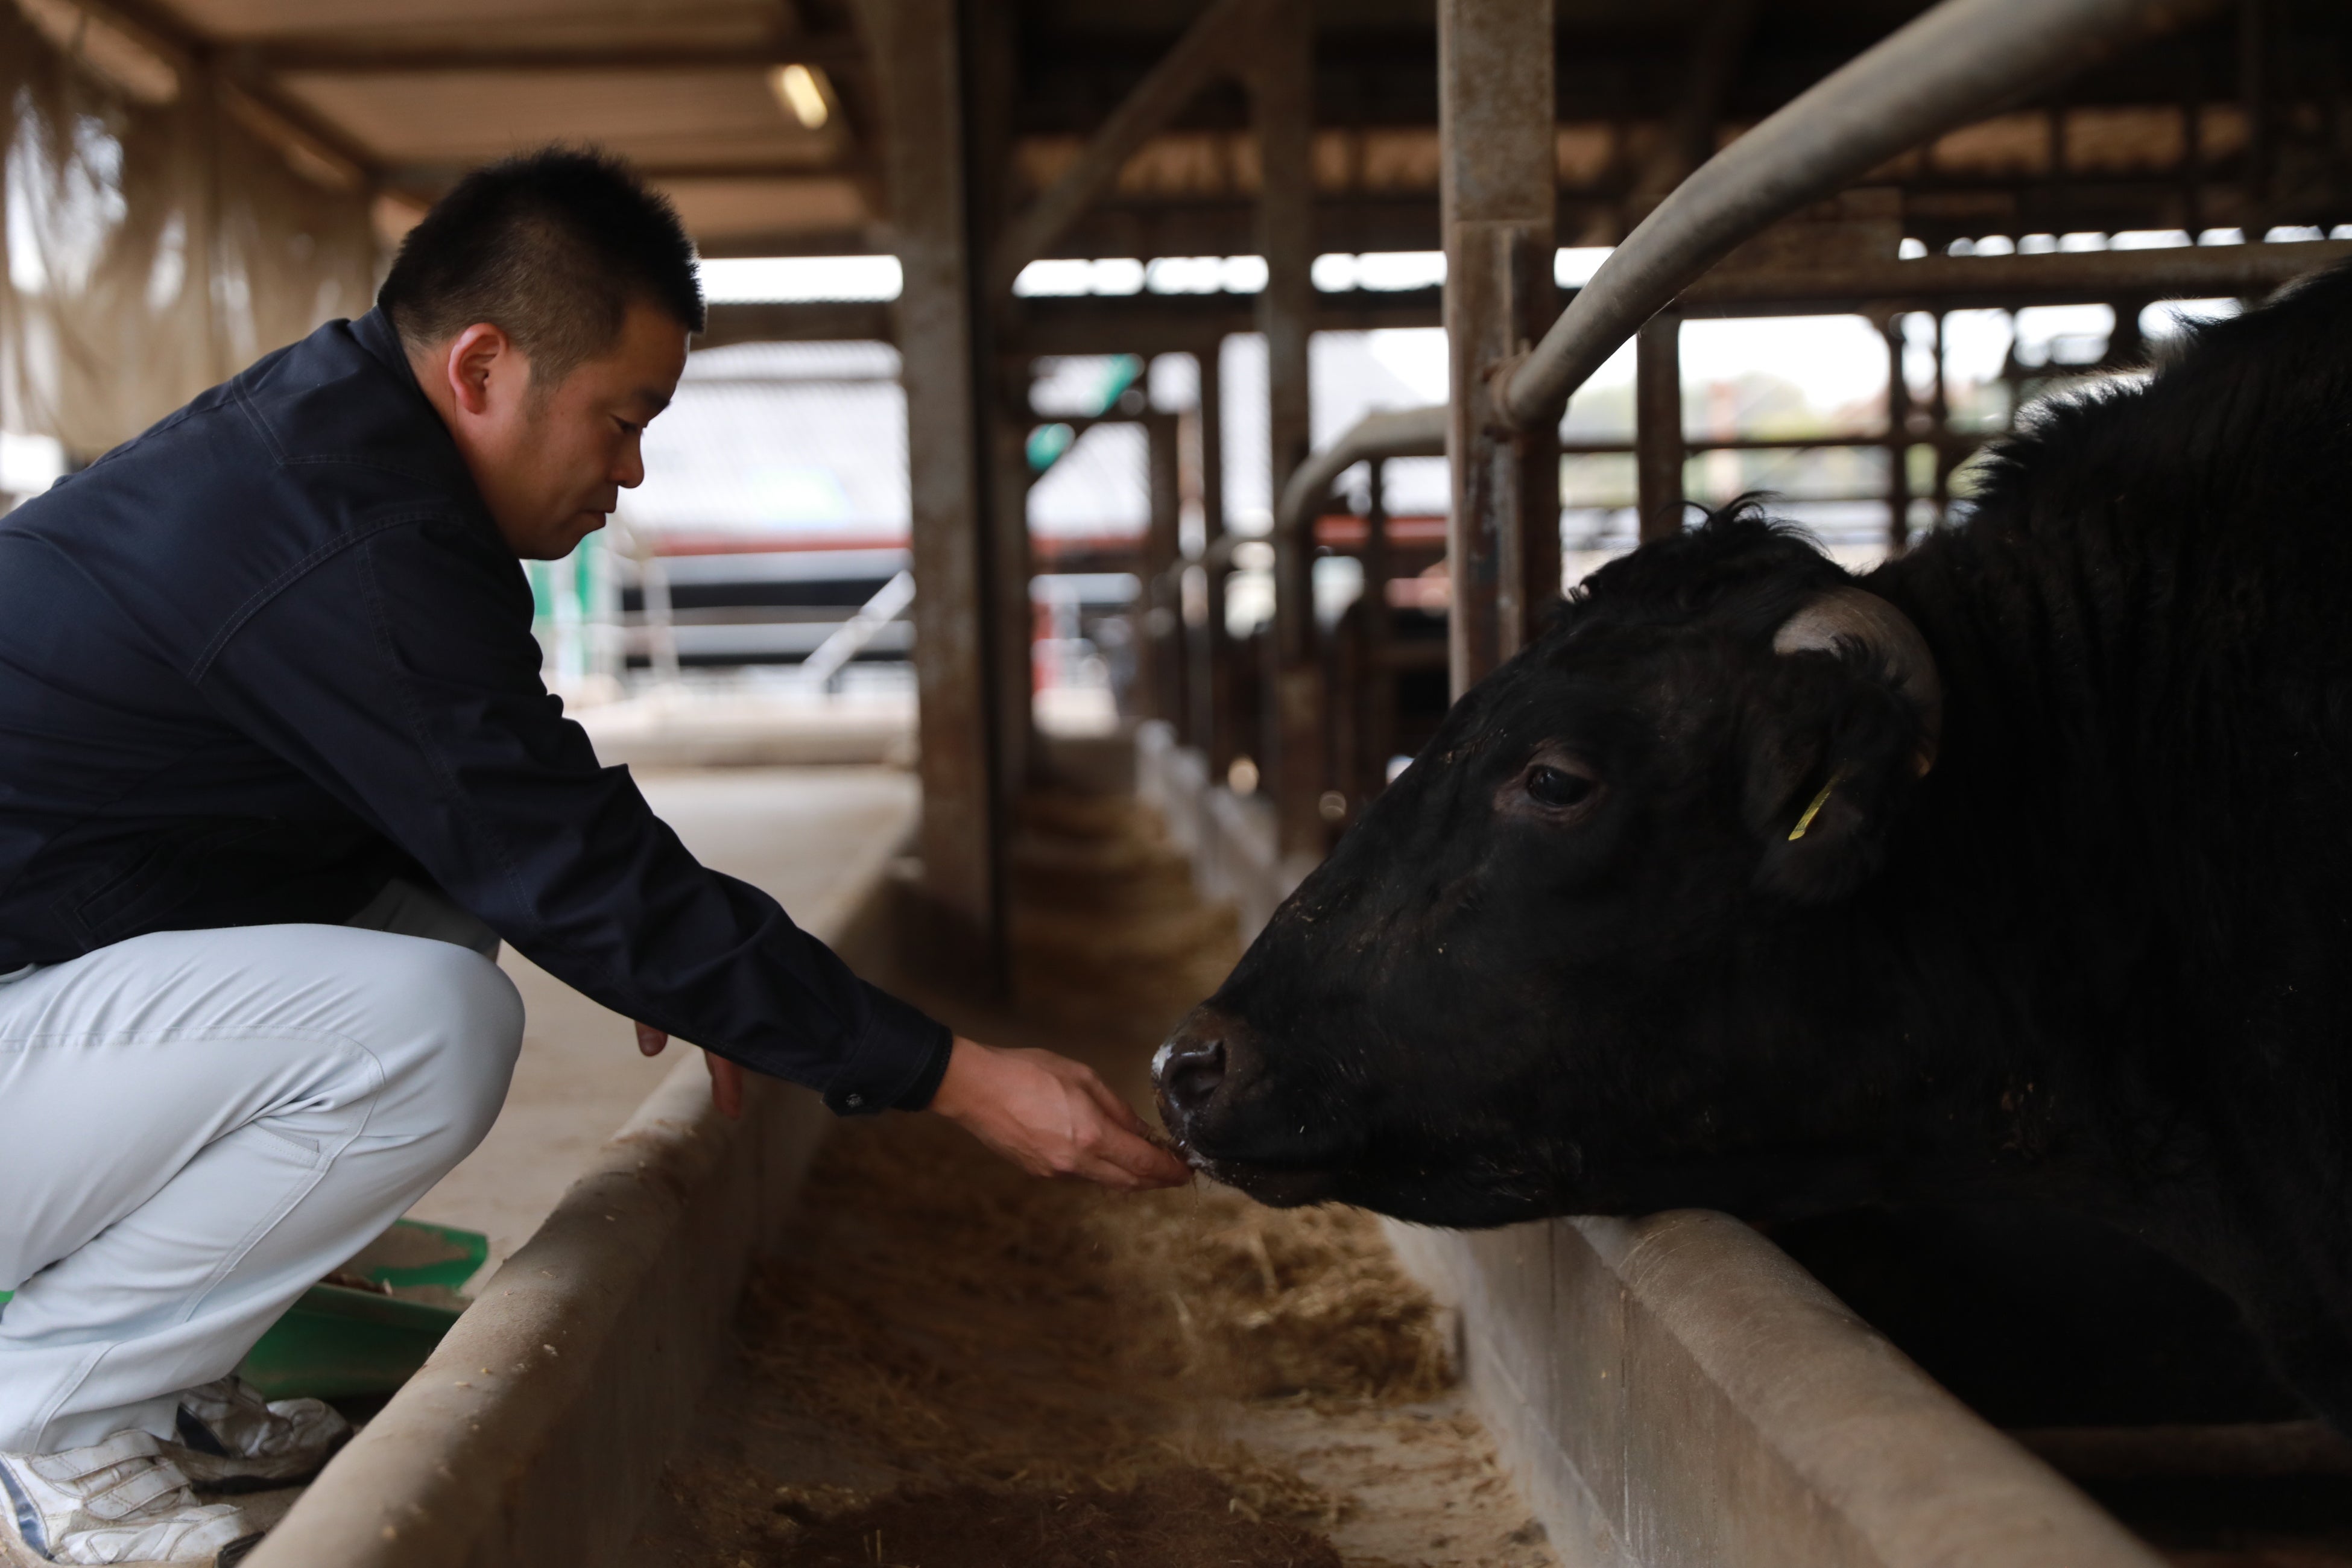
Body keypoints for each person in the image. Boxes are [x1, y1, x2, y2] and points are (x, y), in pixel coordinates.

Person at [0, 148, 1189, 1567]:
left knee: (429, 916)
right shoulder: (352, 535)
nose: (629, 471)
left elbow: (525, 818)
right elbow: (562, 856)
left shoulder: (336, 463)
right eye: (622, 420)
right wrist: (962, 1075)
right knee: (426, 1024)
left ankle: (159, 1381)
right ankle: (56, 1418)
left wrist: (688, 962)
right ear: (485, 367)